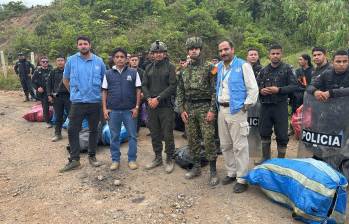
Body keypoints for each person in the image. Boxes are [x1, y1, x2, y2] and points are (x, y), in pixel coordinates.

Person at [216, 40, 259, 193]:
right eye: (220, 50)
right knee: (225, 144)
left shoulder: (243, 65)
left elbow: (253, 89)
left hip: (237, 111)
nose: (223, 53)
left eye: (226, 49)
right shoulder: (219, 67)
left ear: (233, 50)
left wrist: (245, 106)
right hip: (221, 109)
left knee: (240, 146)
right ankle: (231, 172)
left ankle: (242, 178)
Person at [59, 35, 106, 173]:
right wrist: (74, 93)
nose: (83, 46)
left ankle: (92, 156)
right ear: (77, 46)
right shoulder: (71, 61)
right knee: (73, 130)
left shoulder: (99, 61)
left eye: (85, 43)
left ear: (90, 45)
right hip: (77, 103)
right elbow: (66, 80)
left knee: (94, 130)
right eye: (80, 44)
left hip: (94, 102)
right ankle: (74, 159)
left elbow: (104, 83)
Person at [176, 37, 219, 186]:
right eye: (190, 49)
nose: (193, 50)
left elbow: (215, 91)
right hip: (190, 108)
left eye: (196, 48)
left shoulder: (210, 68)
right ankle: (196, 167)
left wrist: (212, 110)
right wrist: (181, 109)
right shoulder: (184, 69)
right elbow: (180, 91)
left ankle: (213, 170)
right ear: (187, 51)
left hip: (205, 107)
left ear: (200, 50)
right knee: (192, 139)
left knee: (208, 139)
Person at [256, 44, 297, 164]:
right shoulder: (263, 70)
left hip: (280, 106)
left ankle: (280, 162)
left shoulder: (287, 69)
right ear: (269, 55)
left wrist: (278, 90)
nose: (275, 56)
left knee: (282, 135)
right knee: (264, 132)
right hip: (265, 106)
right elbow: (256, 86)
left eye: (277, 53)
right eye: (273, 53)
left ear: (281, 54)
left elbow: (294, 86)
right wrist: (260, 90)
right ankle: (265, 158)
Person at [102, 48, 141, 171]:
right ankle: (115, 160)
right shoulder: (108, 73)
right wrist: (104, 109)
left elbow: (138, 90)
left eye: (122, 57)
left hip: (129, 111)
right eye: (117, 57)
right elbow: (104, 91)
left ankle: (132, 159)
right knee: (114, 136)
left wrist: (136, 107)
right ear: (113, 59)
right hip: (113, 111)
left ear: (126, 59)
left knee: (132, 136)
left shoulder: (133, 73)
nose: (119, 59)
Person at [142, 40, 177, 173]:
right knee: (155, 133)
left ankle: (169, 158)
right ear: (152, 54)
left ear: (165, 53)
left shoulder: (170, 67)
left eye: (160, 52)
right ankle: (157, 157)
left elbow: (173, 86)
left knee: (167, 133)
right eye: (155, 52)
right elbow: (144, 85)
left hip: (165, 106)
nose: (158, 55)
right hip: (151, 106)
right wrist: (149, 98)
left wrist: (158, 98)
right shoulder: (148, 67)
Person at [47, 55, 70, 142]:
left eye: (62, 60)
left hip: (69, 96)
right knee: (58, 116)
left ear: (65, 62)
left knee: (72, 115)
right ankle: (58, 134)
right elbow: (48, 84)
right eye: (58, 60)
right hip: (57, 97)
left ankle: (73, 134)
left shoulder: (69, 71)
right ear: (56, 62)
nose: (60, 62)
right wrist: (49, 95)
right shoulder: (53, 72)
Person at [32, 56, 52, 128]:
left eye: (46, 61)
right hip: (43, 93)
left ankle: (57, 120)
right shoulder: (37, 72)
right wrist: (37, 88)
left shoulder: (52, 70)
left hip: (52, 91)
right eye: (43, 62)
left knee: (56, 106)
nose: (45, 63)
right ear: (40, 63)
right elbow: (33, 82)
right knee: (45, 107)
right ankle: (48, 122)